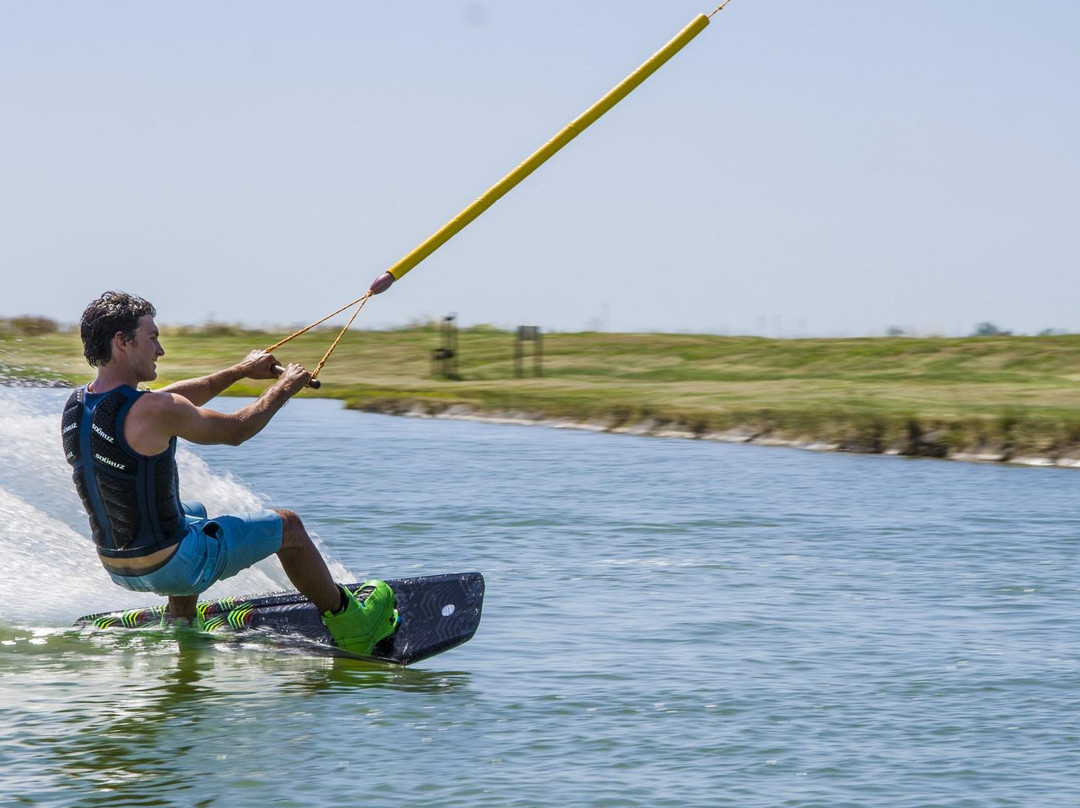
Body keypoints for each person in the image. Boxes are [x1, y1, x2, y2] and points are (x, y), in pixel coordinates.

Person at [61, 291, 398, 655]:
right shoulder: (155, 409)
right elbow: (237, 429)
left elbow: (174, 398)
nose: (159, 350)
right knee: (289, 527)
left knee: (193, 511)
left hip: (117, 564)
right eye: (152, 337)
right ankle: (353, 623)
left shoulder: (79, 405)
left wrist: (240, 371)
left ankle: (182, 623)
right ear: (122, 342)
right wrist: (283, 388)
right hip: (172, 565)